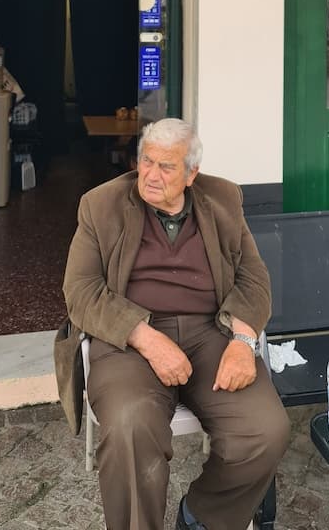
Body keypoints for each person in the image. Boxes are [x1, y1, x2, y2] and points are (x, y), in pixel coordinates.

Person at [58, 118, 290, 530]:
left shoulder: (223, 199)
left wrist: (242, 341)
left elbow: (253, 278)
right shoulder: (100, 205)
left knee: (266, 431)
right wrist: (145, 338)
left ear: (191, 174)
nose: (151, 175)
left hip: (211, 332)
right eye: (146, 161)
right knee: (130, 427)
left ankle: (201, 517)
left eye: (166, 167)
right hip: (129, 339)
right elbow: (80, 290)